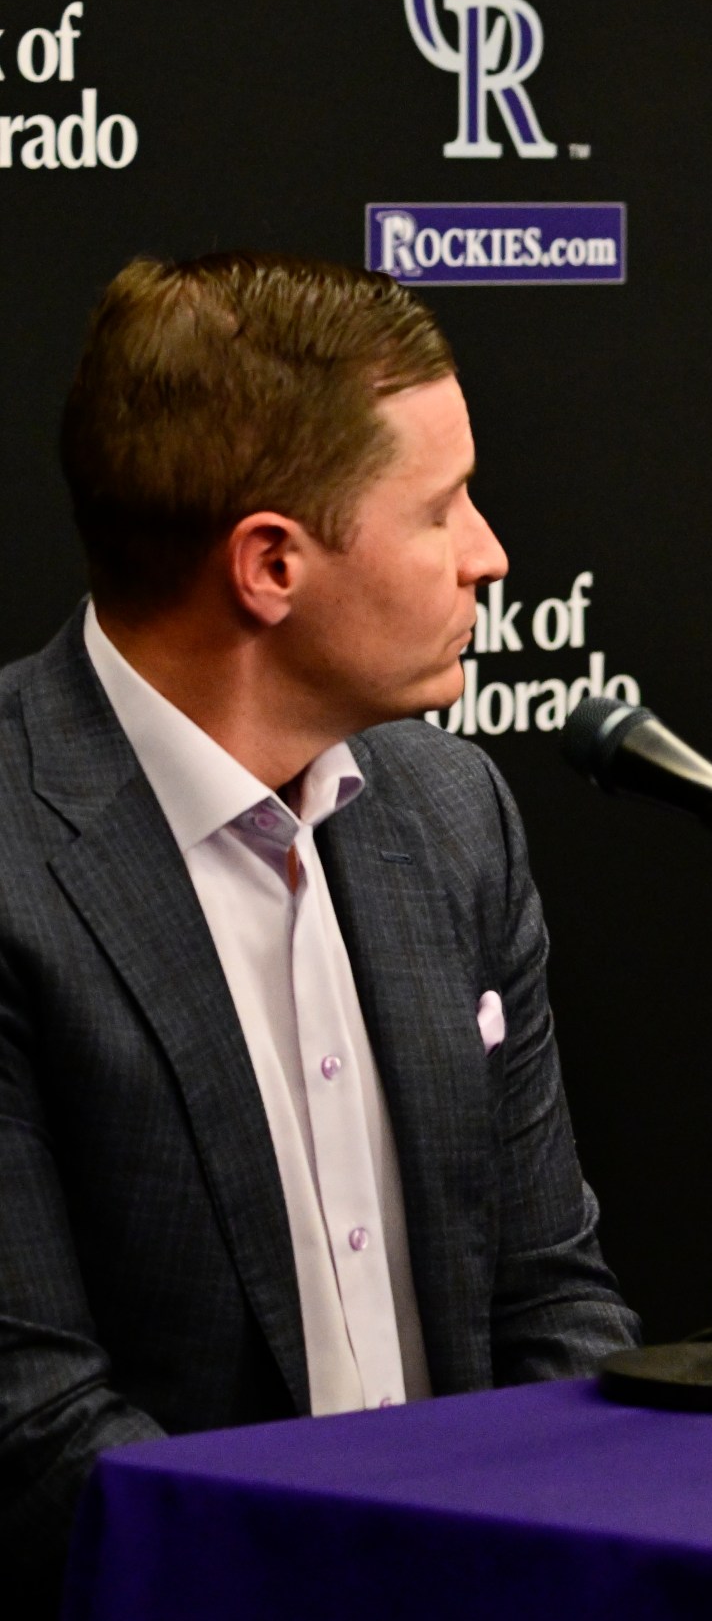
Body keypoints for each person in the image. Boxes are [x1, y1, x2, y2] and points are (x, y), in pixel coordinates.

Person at [0, 254, 639, 1594]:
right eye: (442, 510)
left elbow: (551, 1301)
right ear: (271, 566)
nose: (491, 555)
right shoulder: (16, 860)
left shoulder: (452, 814)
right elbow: (39, 1436)